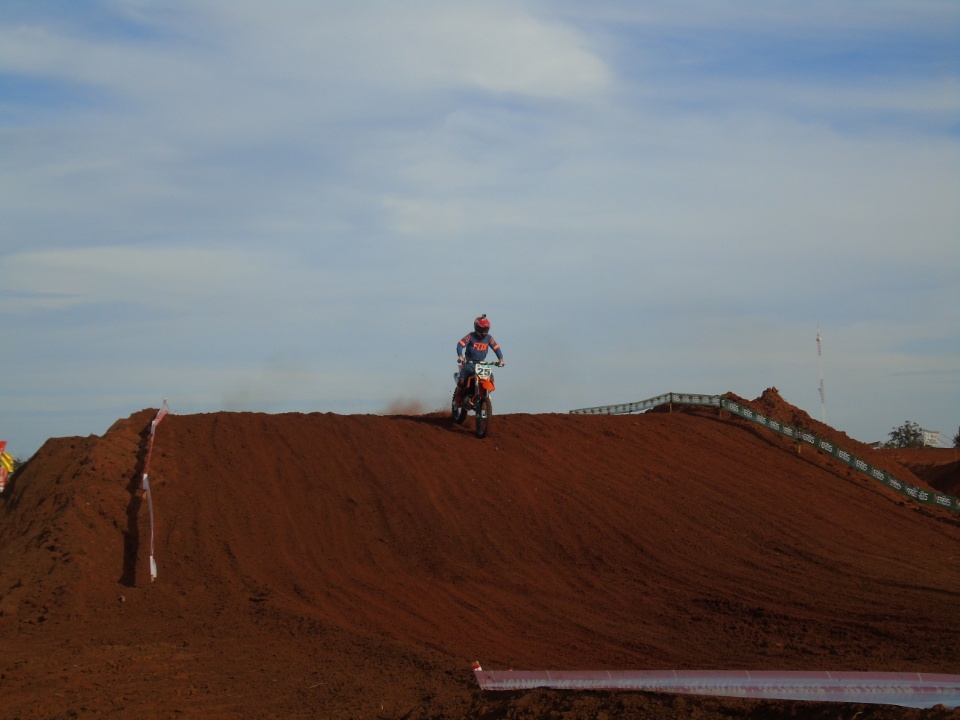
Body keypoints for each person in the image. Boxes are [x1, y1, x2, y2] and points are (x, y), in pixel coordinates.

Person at [454, 314, 504, 407]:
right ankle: (458, 398)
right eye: (482, 330)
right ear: (476, 328)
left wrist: (500, 359)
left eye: (486, 330)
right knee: (462, 380)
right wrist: (460, 356)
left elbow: (496, 348)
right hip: (470, 363)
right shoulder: (471, 336)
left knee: (490, 377)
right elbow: (460, 345)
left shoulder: (489, 338)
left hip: (482, 364)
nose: (484, 332)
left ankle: (485, 397)